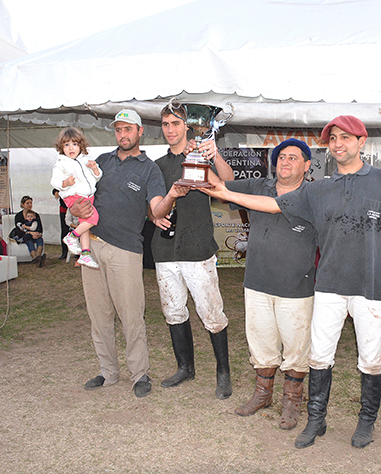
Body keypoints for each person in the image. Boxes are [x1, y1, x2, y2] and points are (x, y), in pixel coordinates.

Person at [201, 115, 381, 449]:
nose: (339, 143)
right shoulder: (319, 189)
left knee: (371, 359)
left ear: (362, 142)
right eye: (333, 139)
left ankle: (366, 423)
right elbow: (272, 204)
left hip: (371, 286)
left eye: (346, 137)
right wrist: (224, 192)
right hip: (328, 285)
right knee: (319, 358)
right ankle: (316, 420)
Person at [70, 109, 174, 398]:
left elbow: (155, 206)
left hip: (125, 251)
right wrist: (73, 209)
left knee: (131, 315)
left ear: (140, 132)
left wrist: (168, 202)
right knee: (98, 314)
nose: (123, 135)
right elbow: (79, 195)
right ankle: (108, 371)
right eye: (118, 130)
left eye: (129, 129)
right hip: (91, 246)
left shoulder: (149, 169)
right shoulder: (101, 161)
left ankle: (139, 373)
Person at [224, 138, 317, 430]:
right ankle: (263, 394)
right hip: (257, 282)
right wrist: (211, 155)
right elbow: (225, 185)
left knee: (296, 349)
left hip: (296, 287)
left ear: (307, 165)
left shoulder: (313, 195)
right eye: (281, 157)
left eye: (293, 157)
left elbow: (273, 207)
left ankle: (292, 402)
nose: (285, 162)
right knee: (261, 342)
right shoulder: (259, 186)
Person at [150, 102, 234, 400]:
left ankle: (223, 373)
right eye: (165, 124)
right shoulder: (156, 165)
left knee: (211, 312)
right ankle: (185, 368)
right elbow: (153, 210)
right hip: (166, 250)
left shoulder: (201, 154)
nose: (170, 129)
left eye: (175, 123)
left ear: (187, 126)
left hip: (198, 247)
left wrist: (214, 155)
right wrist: (167, 201)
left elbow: (229, 182)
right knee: (173, 311)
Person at [50, 127, 102, 269]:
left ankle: (85, 254)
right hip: (75, 197)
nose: (70, 148)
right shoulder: (62, 163)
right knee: (93, 219)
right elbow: (54, 181)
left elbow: (97, 177)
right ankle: (72, 236)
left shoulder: (86, 160)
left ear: (81, 145)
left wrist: (95, 168)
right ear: (61, 147)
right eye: (66, 145)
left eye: (74, 144)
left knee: (85, 225)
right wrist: (65, 183)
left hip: (88, 196)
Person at [11, 196, 46, 267]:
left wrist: (38, 234)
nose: (30, 205)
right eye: (27, 203)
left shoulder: (36, 215)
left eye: (31, 203)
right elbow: (19, 230)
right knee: (29, 242)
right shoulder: (18, 216)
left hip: (35, 235)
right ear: (22, 204)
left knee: (40, 240)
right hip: (25, 236)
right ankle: (36, 258)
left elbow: (40, 228)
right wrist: (30, 233)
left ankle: (38, 257)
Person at [52, 189, 70, 260]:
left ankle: (77, 252)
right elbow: (55, 189)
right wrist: (56, 192)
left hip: (75, 207)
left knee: (77, 229)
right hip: (64, 208)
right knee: (64, 230)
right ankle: (64, 251)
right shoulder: (62, 180)